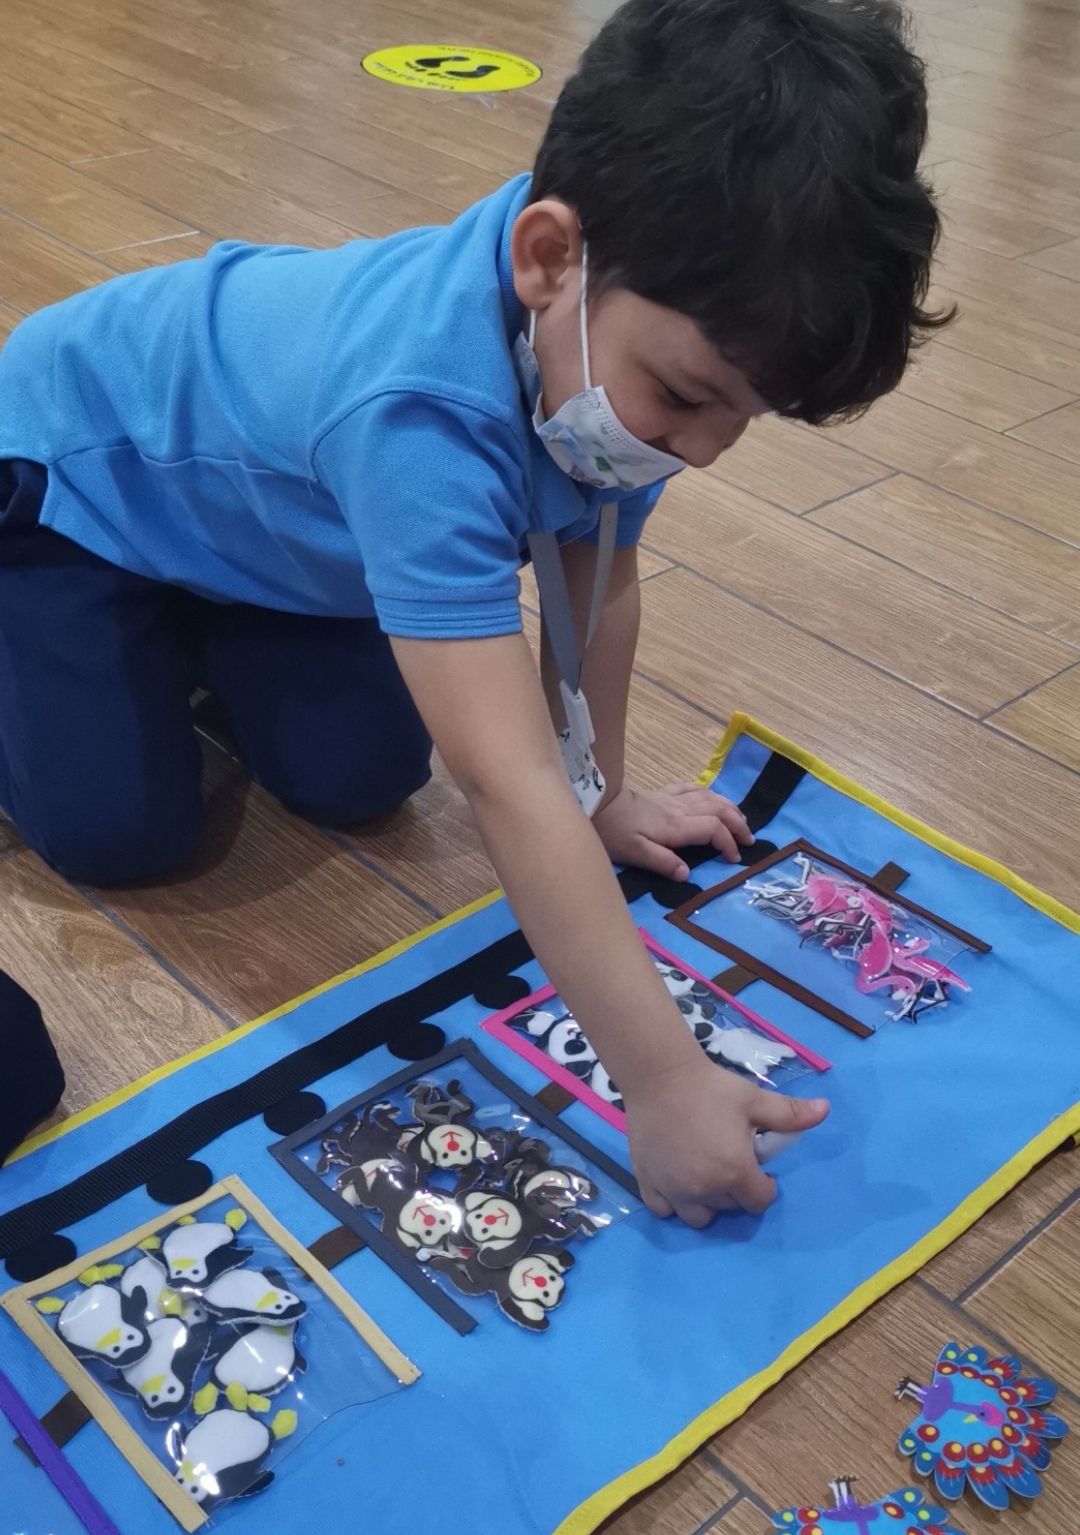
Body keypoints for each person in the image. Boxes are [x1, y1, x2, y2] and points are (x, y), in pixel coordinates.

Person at [0, 0, 945, 1220]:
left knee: (361, 773)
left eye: (741, 418)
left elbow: (596, 581)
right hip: (70, 493)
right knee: (119, 830)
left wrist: (604, 795)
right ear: (546, 258)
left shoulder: (604, 332)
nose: (703, 450)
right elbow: (506, 784)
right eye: (688, 399)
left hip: (265, 531)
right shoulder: (419, 415)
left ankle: (183, 635)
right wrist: (661, 1080)